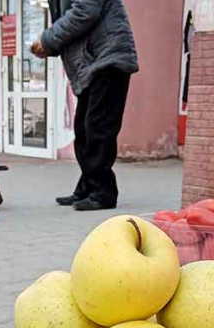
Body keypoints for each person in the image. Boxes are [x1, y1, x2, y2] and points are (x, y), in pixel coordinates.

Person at [31, 0, 138, 211]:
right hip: (92, 64)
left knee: (98, 129)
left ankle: (103, 193)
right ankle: (88, 186)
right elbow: (73, 26)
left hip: (108, 60)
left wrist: (47, 39)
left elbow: (84, 12)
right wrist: (49, 46)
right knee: (83, 131)